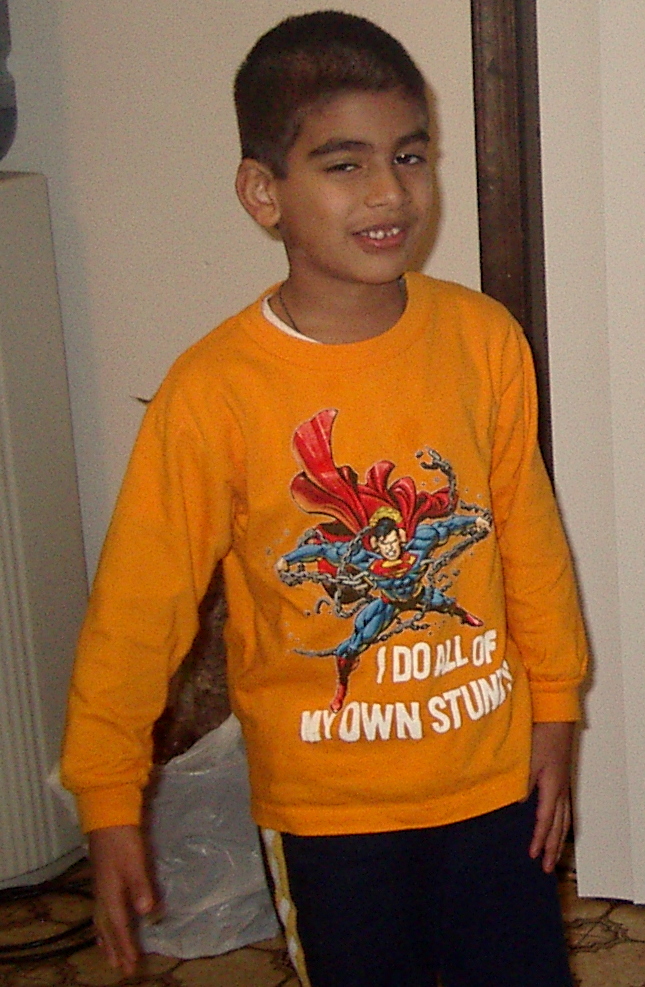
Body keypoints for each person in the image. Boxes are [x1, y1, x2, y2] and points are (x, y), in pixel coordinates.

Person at [59, 12, 586, 986]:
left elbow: (529, 540)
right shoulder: (212, 393)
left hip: (488, 780)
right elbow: (137, 608)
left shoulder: (483, 339)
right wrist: (107, 796)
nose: (390, 191)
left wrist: (554, 709)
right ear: (264, 193)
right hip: (329, 814)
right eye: (345, 165)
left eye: (410, 156)